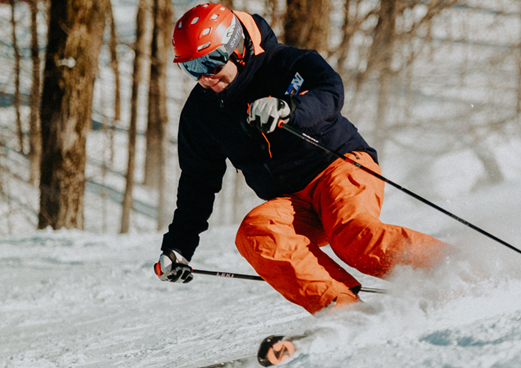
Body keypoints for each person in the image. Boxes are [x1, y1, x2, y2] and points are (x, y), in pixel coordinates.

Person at [154, 3, 447, 315]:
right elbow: (197, 182)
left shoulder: (284, 62)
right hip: (294, 201)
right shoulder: (201, 113)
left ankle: (455, 268)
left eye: (210, 63)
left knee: (353, 238)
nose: (204, 78)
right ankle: (345, 311)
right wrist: (179, 246)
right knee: (256, 232)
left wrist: (289, 108)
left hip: (340, 168)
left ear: (235, 48)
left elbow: (329, 90)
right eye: (192, 68)